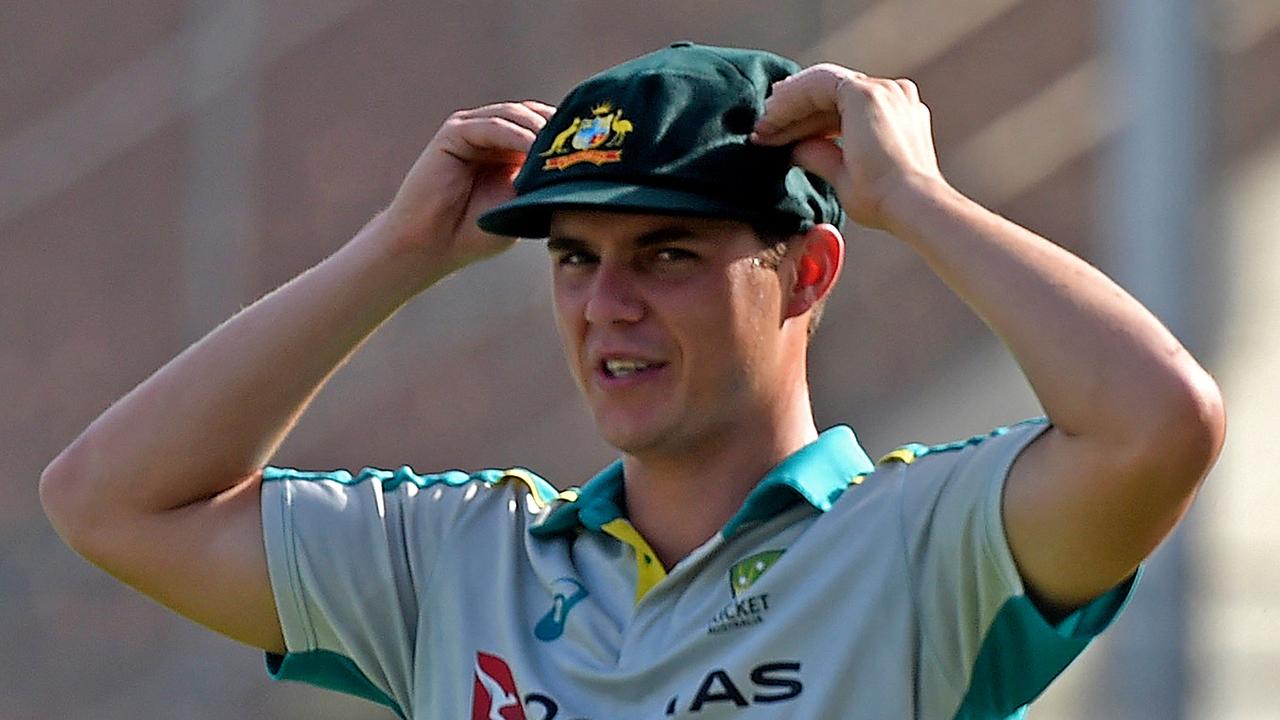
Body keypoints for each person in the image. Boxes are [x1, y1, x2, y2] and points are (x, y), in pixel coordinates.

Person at [39, 42, 1225, 719]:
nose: (607, 305)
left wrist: (918, 200)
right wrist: (390, 256)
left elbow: (1156, 424)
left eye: (665, 255)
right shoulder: (461, 561)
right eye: (572, 259)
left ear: (807, 272)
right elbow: (106, 499)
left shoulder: (924, 546)